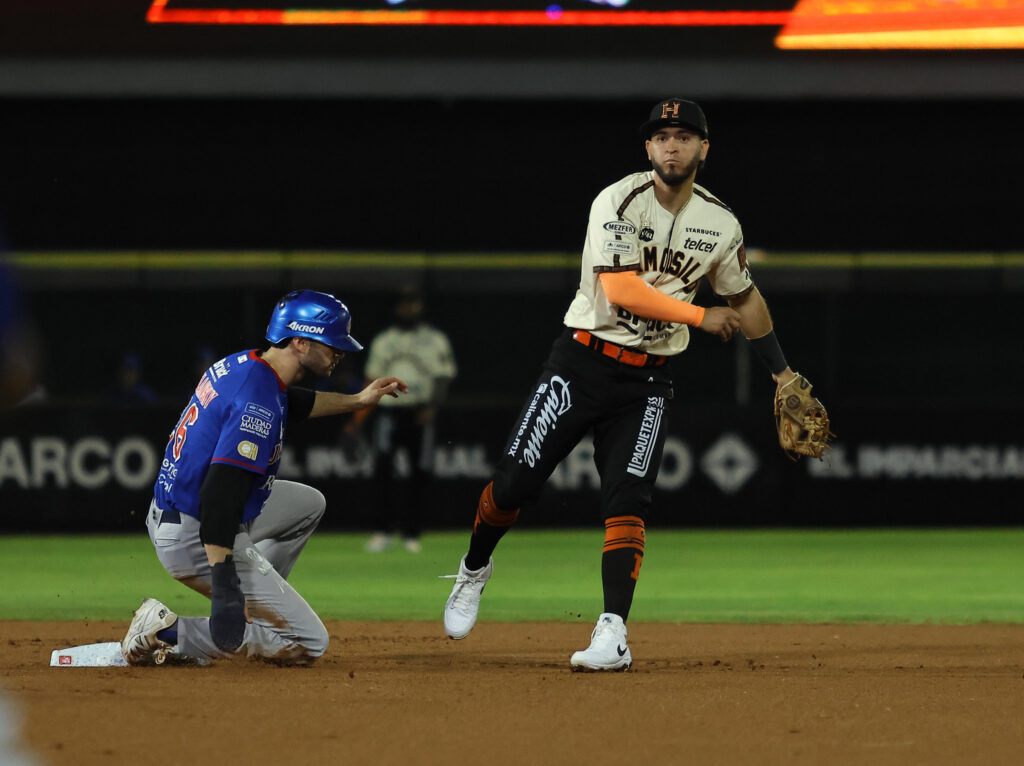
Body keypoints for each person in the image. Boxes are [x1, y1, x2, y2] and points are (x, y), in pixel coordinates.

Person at [442, 98, 809, 671]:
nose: (671, 145)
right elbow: (621, 289)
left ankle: (613, 631)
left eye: (683, 136)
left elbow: (744, 298)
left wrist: (781, 372)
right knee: (514, 484)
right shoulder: (617, 200)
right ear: (647, 148)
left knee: (629, 498)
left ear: (704, 148)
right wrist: (700, 316)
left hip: (648, 380)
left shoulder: (720, 223)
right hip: (580, 363)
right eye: (661, 136)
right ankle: (473, 568)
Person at [121, 290, 406, 666]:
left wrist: (357, 401)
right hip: (196, 529)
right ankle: (166, 633)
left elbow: (294, 403)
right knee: (309, 643)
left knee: (309, 505)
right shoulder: (256, 402)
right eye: (331, 342)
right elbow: (218, 497)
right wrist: (226, 586)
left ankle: (260, 603)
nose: (340, 351)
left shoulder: (249, 366)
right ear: (300, 342)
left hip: (179, 511)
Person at [355, 288, 457, 554]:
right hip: (389, 412)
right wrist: (358, 418)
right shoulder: (384, 341)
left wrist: (432, 406)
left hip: (419, 412)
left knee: (419, 474)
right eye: (404, 304)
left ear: (420, 307)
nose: (408, 309)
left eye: (413, 304)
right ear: (396, 308)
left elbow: (443, 377)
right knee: (382, 471)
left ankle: (412, 532)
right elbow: (371, 379)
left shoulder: (434, 340)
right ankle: (383, 531)